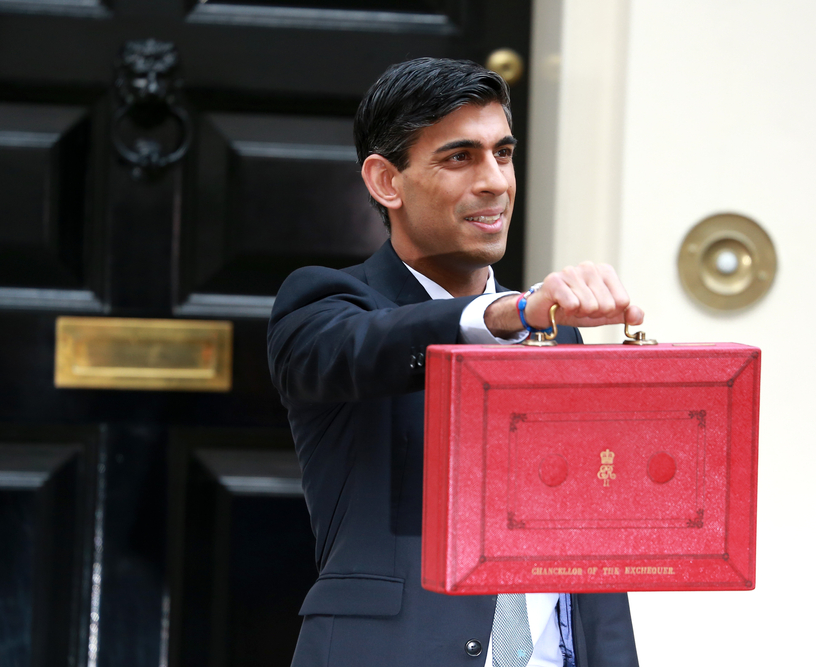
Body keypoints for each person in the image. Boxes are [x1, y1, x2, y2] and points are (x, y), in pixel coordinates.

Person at [268, 58, 642, 667]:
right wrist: (500, 315)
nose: (494, 181)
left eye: (504, 153)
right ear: (386, 181)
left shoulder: (556, 335)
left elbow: (590, 543)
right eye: (460, 157)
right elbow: (364, 349)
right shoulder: (325, 306)